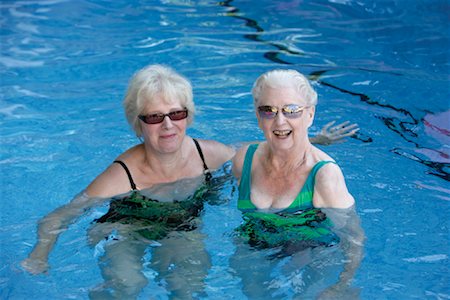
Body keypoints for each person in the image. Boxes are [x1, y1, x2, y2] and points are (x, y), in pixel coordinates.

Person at [21, 64, 359, 299]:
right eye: (154, 117)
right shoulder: (124, 173)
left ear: (188, 115)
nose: (167, 125)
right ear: (137, 124)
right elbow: (59, 216)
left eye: (176, 114)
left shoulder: (208, 155)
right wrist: (39, 256)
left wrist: (315, 139)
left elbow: (262, 146)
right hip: (130, 226)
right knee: (127, 284)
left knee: (190, 285)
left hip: (183, 227)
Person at [232, 69, 365, 299]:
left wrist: (341, 285)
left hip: (312, 249)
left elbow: (353, 237)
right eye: (268, 110)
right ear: (257, 115)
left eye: (292, 110)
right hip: (257, 243)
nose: (280, 120)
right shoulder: (245, 160)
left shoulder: (324, 175)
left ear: (310, 115)